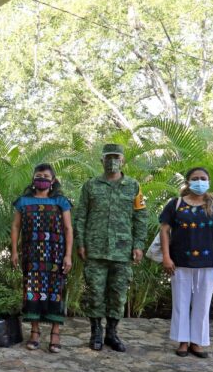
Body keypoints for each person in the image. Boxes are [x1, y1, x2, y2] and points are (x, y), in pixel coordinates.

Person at [74, 143, 147, 352]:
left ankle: (112, 333)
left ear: (123, 160)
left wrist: (138, 245)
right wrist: (81, 243)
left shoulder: (133, 186)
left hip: (122, 251)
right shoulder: (90, 186)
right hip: (95, 250)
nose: (112, 161)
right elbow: (81, 216)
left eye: (116, 157)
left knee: (118, 294)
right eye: (108, 157)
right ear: (101, 160)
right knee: (95, 293)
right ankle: (96, 332)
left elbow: (140, 217)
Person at [10, 163, 73, 353]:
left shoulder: (61, 202)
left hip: (56, 255)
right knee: (32, 290)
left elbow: (69, 229)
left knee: (56, 292)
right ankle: (35, 332)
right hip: (31, 255)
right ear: (33, 179)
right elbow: (15, 227)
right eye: (39, 175)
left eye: (46, 176)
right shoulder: (23, 202)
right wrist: (14, 251)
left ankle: (55, 333)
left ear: (53, 181)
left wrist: (68, 255)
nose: (42, 179)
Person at [159, 167, 213, 358]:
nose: (199, 182)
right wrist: (166, 257)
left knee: (203, 303)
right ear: (187, 182)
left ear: (208, 182)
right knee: (180, 302)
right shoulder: (175, 204)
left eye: (203, 178)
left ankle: (197, 343)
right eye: (195, 178)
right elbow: (164, 230)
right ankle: (183, 341)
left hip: (209, 262)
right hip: (180, 261)